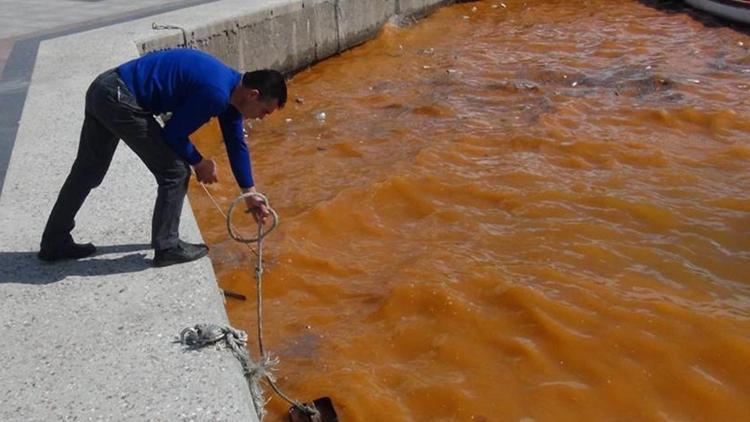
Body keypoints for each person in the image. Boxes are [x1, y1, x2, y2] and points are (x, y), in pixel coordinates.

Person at [38, 48, 286, 267]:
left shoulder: (230, 88)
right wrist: (199, 162)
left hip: (104, 88)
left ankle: (54, 240)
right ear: (253, 95)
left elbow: (236, 144)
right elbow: (174, 134)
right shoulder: (216, 92)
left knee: (87, 172)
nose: (262, 117)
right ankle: (167, 247)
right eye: (265, 111)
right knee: (175, 171)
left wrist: (250, 193)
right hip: (120, 99)